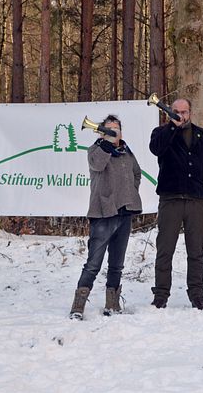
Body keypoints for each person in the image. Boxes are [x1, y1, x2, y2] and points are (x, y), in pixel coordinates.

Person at [149, 98, 203, 310]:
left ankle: (196, 294)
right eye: (176, 112)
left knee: (196, 251)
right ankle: (161, 295)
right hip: (170, 200)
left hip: (195, 200)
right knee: (165, 250)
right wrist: (172, 128)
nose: (180, 115)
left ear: (190, 113)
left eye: (184, 112)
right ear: (170, 113)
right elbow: (156, 149)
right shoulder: (161, 133)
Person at [70, 115, 142, 320]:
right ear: (102, 132)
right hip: (103, 214)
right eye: (109, 128)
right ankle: (78, 306)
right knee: (93, 264)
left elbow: (137, 173)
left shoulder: (127, 151)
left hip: (124, 213)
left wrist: (130, 192)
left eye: (116, 128)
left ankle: (112, 304)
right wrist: (106, 144)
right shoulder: (95, 150)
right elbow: (98, 166)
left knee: (117, 263)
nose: (113, 131)